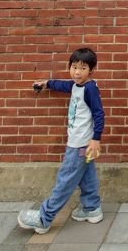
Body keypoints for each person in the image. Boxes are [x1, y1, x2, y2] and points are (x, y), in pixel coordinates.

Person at [17, 47, 105, 234]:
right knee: (87, 176)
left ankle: (44, 218)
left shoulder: (90, 89)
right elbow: (61, 85)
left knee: (66, 180)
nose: (77, 72)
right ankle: (92, 209)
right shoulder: (75, 86)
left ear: (91, 71)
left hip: (81, 144)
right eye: (74, 67)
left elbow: (99, 114)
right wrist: (47, 83)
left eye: (82, 68)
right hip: (82, 143)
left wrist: (96, 139)